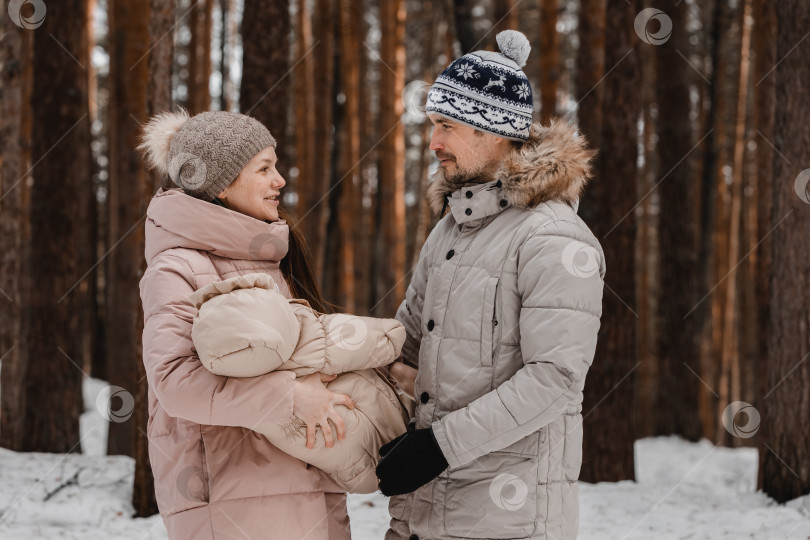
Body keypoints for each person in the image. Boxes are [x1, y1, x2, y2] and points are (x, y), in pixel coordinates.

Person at [377, 30, 606, 540]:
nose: (433, 142)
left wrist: (438, 447)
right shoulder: (451, 230)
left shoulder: (554, 237)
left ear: (494, 130)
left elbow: (555, 381)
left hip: (507, 520)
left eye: (446, 126)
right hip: (422, 515)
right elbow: (407, 343)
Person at [138, 109, 354, 539]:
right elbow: (175, 381)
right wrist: (290, 397)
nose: (281, 181)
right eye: (265, 168)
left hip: (304, 487)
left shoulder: (269, 260)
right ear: (220, 182)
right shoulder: (177, 268)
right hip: (233, 500)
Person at [188, 271, 414, 493]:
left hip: (357, 469)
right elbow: (374, 338)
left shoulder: (244, 389)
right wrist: (390, 344)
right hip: (388, 418)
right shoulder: (311, 334)